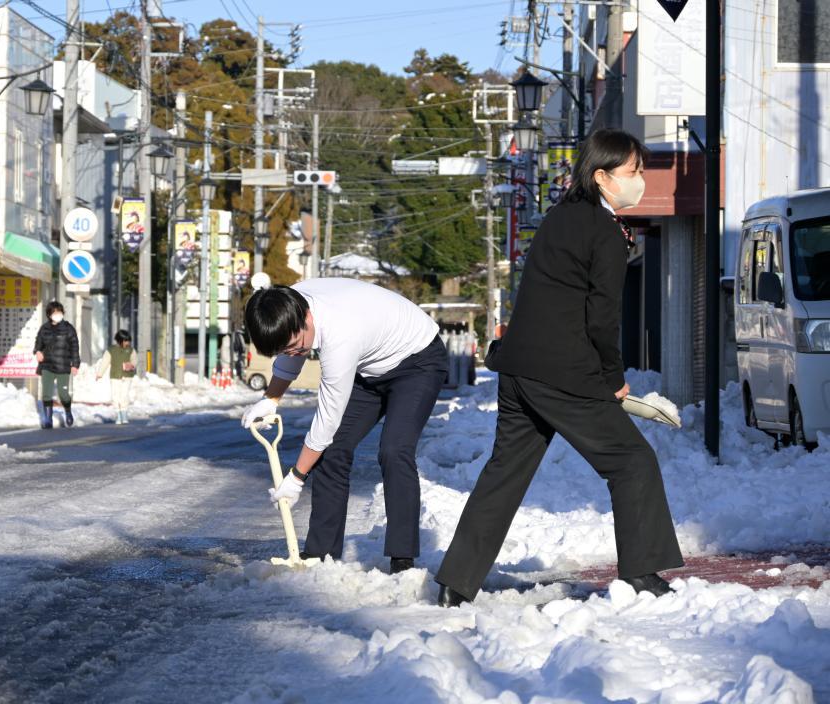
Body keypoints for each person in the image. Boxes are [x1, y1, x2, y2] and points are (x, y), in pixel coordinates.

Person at [434, 129, 685, 608]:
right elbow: (601, 317)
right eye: (633, 172)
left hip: (519, 369)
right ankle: (642, 574)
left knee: (504, 473)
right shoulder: (606, 233)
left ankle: (456, 582)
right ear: (602, 177)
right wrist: (612, 380)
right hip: (562, 372)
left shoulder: (562, 216)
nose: (641, 180)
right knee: (632, 462)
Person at [241, 279, 448, 574]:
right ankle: (320, 553)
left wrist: (297, 476)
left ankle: (402, 558)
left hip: (418, 362)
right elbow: (292, 355)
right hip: (369, 368)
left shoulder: (341, 334)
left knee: (394, 449)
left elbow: (326, 421)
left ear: (305, 317)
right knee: (334, 451)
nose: (295, 352)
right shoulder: (286, 303)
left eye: (295, 345)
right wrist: (271, 398)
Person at [33, 301, 80, 429]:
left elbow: (75, 347)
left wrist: (75, 364)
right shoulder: (44, 328)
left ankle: (68, 411)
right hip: (47, 365)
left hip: (63, 366)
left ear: (62, 313)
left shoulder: (69, 329)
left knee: (63, 394)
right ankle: (48, 419)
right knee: (46, 393)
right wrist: (37, 352)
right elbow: (38, 343)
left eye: (59, 312)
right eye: (54, 312)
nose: (57, 314)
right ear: (49, 314)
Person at [96, 330, 138, 424]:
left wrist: (132, 365)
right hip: (115, 376)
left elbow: (134, 360)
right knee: (115, 395)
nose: (128, 343)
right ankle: (118, 415)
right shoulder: (111, 350)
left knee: (124, 395)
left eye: (128, 341)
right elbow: (105, 362)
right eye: (126, 340)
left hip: (127, 376)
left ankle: (124, 414)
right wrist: (100, 373)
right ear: (120, 340)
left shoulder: (131, 350)